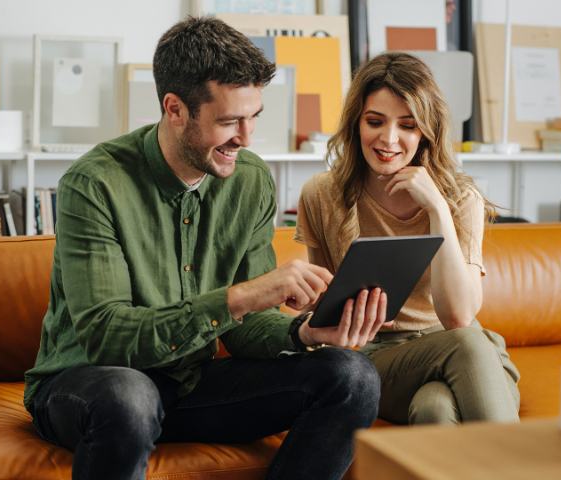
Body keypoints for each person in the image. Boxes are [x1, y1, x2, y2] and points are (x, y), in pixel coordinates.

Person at [24, 17, 384, 480]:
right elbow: (106, 336)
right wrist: (241, 296)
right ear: (175, 109)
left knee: (352, 378)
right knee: (129, 397)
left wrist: (304, 334)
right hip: (88, 385)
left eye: (253, 117)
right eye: (230, 121)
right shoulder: (95, 184)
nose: (247, 138)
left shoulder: (250, 182)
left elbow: (245, 329)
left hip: (190, 385)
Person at [295, 52, 520, 425]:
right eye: (375, 121)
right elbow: (321, 308)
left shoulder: (459, 199)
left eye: (408, 125)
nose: (389, 139)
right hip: (376, 357)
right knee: (464, 347)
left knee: (435, 407)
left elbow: (459, 316)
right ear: (356, 124)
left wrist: (437, 210)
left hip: (465, 354)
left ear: (426, 131)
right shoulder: (321, 195)